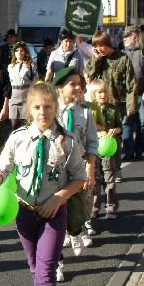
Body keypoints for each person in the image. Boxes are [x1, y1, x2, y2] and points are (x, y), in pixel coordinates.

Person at [0, 83, 86, 286]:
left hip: (54, 214)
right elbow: (3, 169)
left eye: (48, 106)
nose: (43, 112)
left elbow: (80, 178)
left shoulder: (67, 140)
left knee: (46, 271)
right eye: (37, 107)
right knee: (35, 267)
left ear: (55, 108)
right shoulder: (18, 137)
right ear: (28, 110)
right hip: (25, 212)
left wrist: (59, 197)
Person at [52, 67, 98, 265]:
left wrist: (91, 167)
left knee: (78, 208)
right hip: (56, 168)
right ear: (60, 88)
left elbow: (92, 142)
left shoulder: (85, 112)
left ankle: (75, 230)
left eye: (80, 84)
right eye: (73, 84)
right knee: (56, 210)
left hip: (78, 166)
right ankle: (57, 263)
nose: (78, 87)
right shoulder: (51, 111)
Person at [84, 32, 137, 159]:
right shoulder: (97, 59)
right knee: (102, 133)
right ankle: (103, 164)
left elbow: (132, 84)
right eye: (95, 46)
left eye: (100, 45)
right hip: (100, 104)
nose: (98, 49)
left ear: (107, 44)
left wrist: (131, 106)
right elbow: (89, 77)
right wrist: (96, 60)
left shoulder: (123, 59)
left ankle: (120, 161)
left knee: (118, 132)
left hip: (119, 104)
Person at [87, 80, 122, 220]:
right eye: (99, 92)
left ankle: (111, 207)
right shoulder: (89, 110)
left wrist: (115, 130)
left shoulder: (113, 110)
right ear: (93, 94)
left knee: (110, 180)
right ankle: (94, 208)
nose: (103, 95)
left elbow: (120, 127)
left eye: (105, 92)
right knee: (94, 181)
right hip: (94, 151)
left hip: (109, 151)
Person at [121, 27, 144, 161]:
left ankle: (139, 150)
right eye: (124, 38)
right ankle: (128, 151)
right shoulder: (122, 53)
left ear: (134, 37)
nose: (124, 40)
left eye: (127, 37)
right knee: (127, 123)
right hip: (127, 94)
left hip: (142, 93)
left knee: (142, 122)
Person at [8, 41, 38, 131]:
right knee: (14, 126)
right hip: (14, 96)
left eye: (21, 51)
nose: (19, 53)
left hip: (26, 95)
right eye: (17, 51)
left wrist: (32, 96)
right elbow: (9, 83)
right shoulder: (10, 66)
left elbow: (35, 81)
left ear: (25, 52)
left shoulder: (31, 65)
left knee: (26, 126)